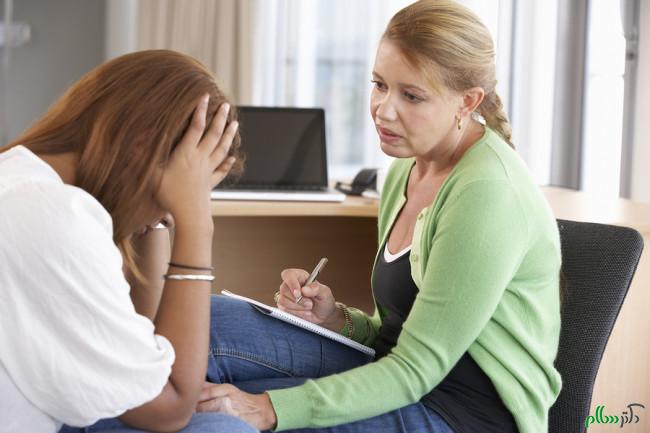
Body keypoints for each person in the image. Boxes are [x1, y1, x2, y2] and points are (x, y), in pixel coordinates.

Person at [195, 1, 562, 432]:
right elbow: (396, 331)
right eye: (379, 84)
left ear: (468, 102)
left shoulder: (487, 193)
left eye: (411, 95)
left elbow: (416, 367)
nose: (383, 110)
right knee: (211, 324)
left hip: (463, 414)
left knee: (222, 420)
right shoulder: (405, 169)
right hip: (401, 373)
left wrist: (270, 408)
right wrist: (335, 319)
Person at [0, 50, 258, 433]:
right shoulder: (54, 217)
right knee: (225, 428)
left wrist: (157, 211)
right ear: (142, 146)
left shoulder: (25, 176)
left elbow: (142, 338)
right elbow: (170, 409)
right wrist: (195, 223)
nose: (170, 214)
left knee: (241, 385)